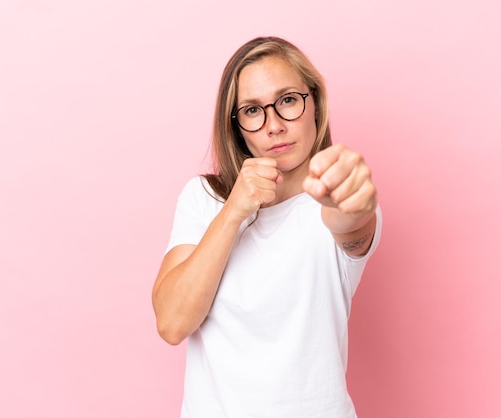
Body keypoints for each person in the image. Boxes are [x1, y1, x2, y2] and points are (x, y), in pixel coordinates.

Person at [152, 36, 382, 418]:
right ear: (237, 125)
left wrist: (353, 205)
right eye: (252, 110)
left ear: (314, 104)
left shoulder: (337, 194)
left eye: (288, 100)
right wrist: (234, 211)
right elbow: (173, 324)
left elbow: (351, 226)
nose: (274, 125)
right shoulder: (202, 199)